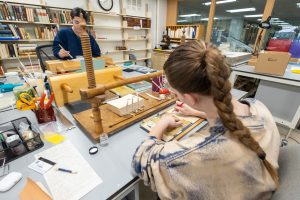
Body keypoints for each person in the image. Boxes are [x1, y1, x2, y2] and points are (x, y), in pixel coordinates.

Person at [132, 41, 280, 200]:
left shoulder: (200, 153)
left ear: (188, 97)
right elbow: (230, 116)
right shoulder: (257, 106)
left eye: (175, 93)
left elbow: (141, 161)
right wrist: (197, 111)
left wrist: (163, 122)